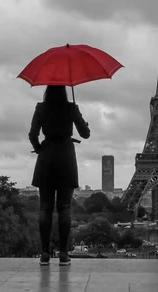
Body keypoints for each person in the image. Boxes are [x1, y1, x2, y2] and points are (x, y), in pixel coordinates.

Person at [28, 85, 90, 266]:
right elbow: (85, 134)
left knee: (45, 207)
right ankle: (63, 254)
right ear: (64, 89)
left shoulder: (40, 108)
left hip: (46, 158)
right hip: (66, 159)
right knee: (64, 208)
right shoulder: (71, 107)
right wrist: (80, 119)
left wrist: (40, 149)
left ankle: (45, 253)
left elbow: (32, 134)